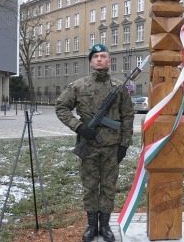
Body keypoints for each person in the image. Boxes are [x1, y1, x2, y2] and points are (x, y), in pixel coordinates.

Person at [55, 43, 135, 242]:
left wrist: (124, 145)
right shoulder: (78, 86)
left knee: (108, 186)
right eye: (95, 56)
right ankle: (92, 225)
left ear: (109, 60)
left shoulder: (119, 87)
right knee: (90, 186)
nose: (99, 59)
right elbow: (61, 107)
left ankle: (105, 225)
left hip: (111, 148)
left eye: (103, 56)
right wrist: (79, 127)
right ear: (91, 61)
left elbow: (128, 116)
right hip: (88, 147)